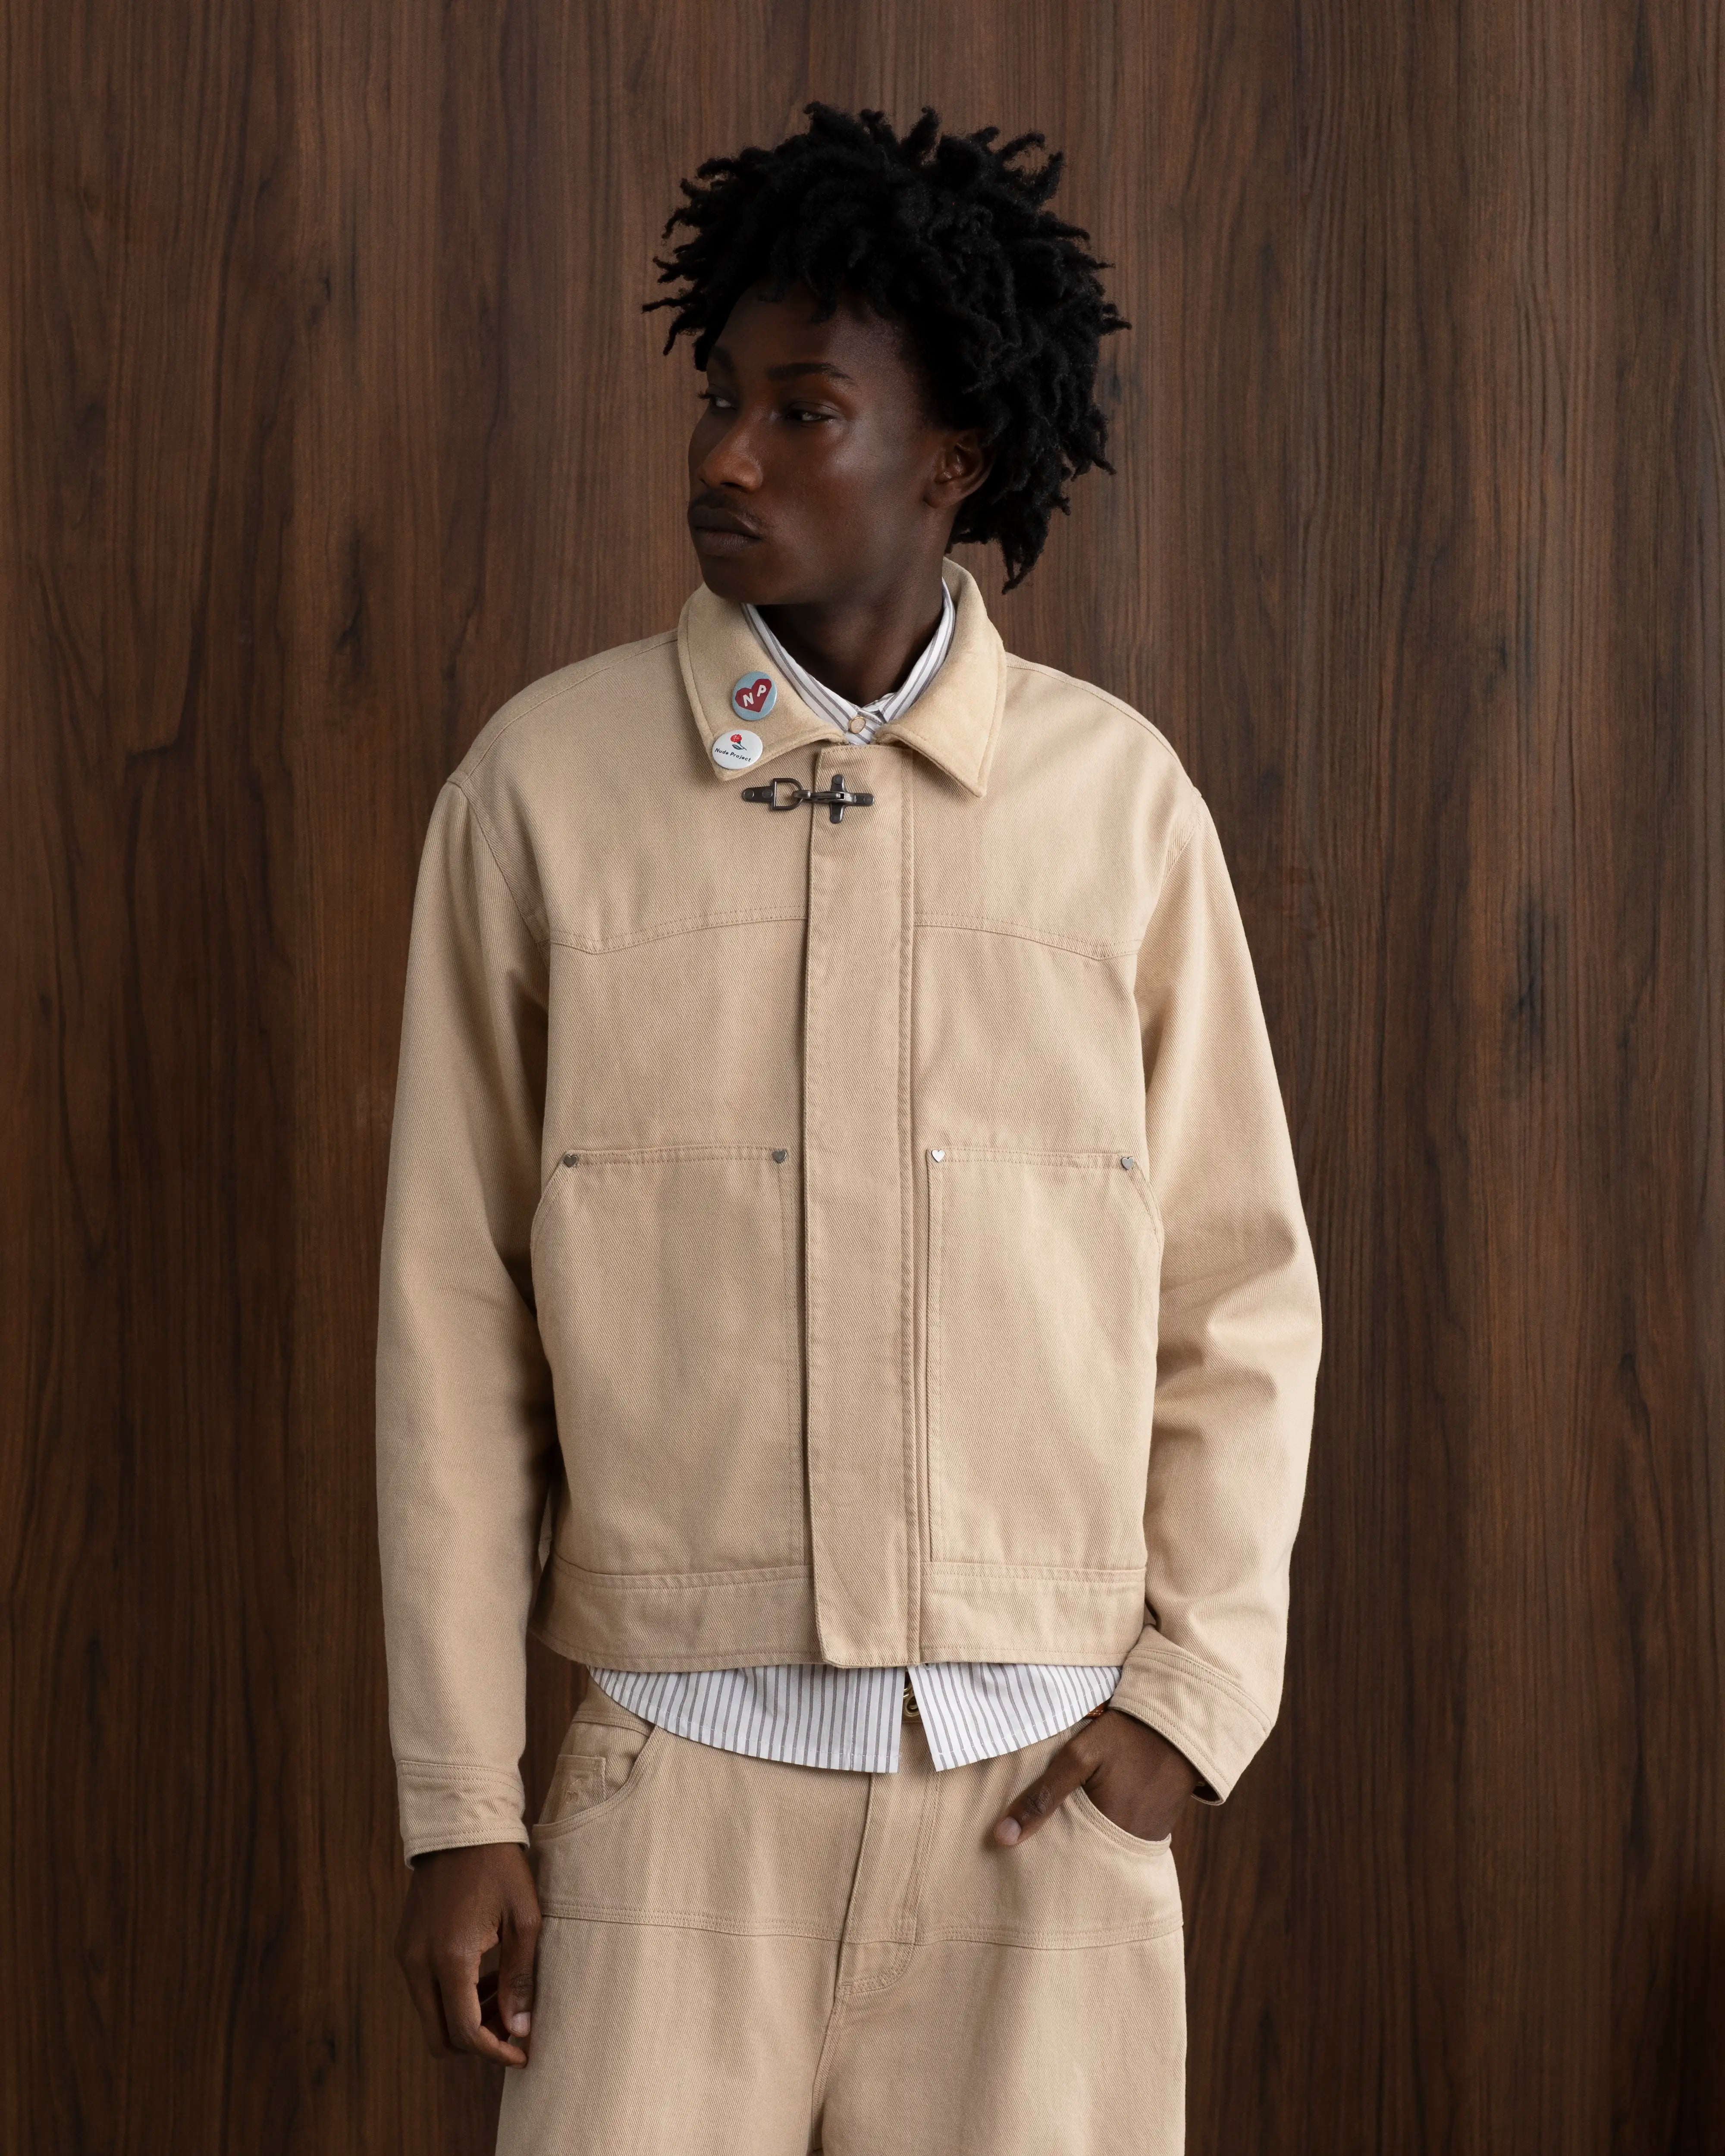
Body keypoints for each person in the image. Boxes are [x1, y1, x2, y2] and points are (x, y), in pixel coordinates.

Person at [376, 104, 1322, 2155]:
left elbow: (1238, 1292)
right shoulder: (542, 794)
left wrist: (1187, 1703)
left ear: (952, 457)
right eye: (719, 397)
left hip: (1039, 1810)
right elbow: (450, 1320)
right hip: (665, 1792)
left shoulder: (1118, 810)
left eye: (802, 412)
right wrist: (461, 1799)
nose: (726, 455)